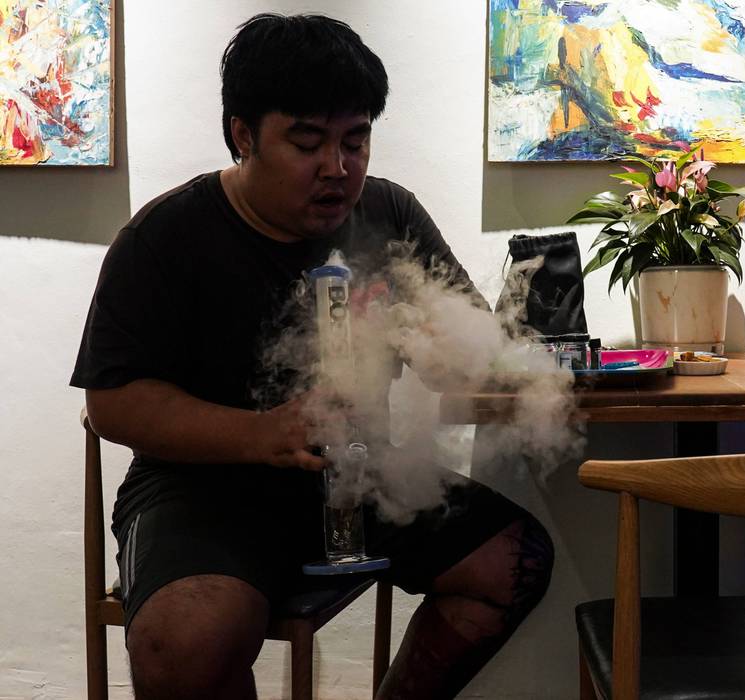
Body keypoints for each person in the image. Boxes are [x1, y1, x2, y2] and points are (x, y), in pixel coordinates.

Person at [70, 14, 552, 699]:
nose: (337, 168)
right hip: (202, 489)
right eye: (307, 143)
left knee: (512, 564)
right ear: (243, 135)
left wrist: (455, 351)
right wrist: (262, 433)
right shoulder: (166, 235)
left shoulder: (389, 214)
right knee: (184, 643)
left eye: (356, 140)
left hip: (358, 475)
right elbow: (114, 403)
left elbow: (468, 343)